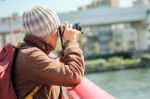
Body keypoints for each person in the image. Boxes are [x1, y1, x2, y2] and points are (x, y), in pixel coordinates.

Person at [13, 5, 85, 99]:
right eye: (57, 30)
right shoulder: (31, 57)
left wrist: (65, 47)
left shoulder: (30, 52)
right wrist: (71, 42)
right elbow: (75, 75)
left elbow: (60, 71)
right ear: (48, 31)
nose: (59, 35)